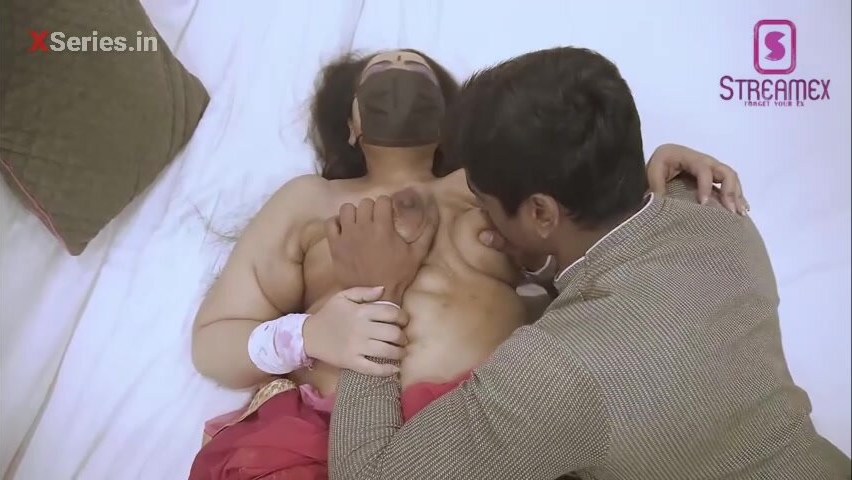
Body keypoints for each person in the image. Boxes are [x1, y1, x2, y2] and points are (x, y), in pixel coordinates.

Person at [189, 48, 748, 479]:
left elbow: (593, 233)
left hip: (491, 425)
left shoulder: (490, 185)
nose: (399, 70)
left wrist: (658, 186)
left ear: (452, 126)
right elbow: (213, 341)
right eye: (379, 72)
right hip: (334, 432)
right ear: (351, 126)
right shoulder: (307, 200)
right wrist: (307, 336)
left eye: (416, 70)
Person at [325, 47, 852, 479]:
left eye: (482, 199)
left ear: (541, 213)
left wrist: (376, 299)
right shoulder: (717, 212)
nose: (478, 212)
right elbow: (634, 288)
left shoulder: (553, 374)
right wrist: (540, 255)